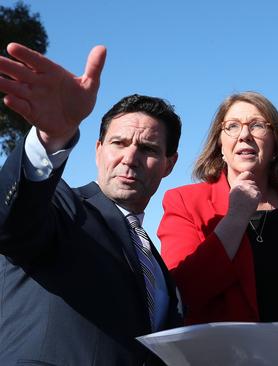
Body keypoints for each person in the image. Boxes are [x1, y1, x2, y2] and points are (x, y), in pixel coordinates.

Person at [0, 43, 183, 365]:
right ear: (98, 149)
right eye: (119, 143)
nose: (130, 158)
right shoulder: (59, 207)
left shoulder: (155, 264)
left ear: (169, 163)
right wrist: (50, 137)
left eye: (149, 149)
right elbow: (11, 224)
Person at [158, 91, 278, 324]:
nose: (245, 135)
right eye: (232, 126)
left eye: (258, 125)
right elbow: (184, 290)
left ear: (275, 143)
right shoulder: (184, 201)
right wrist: (236, 216)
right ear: (220, 144)